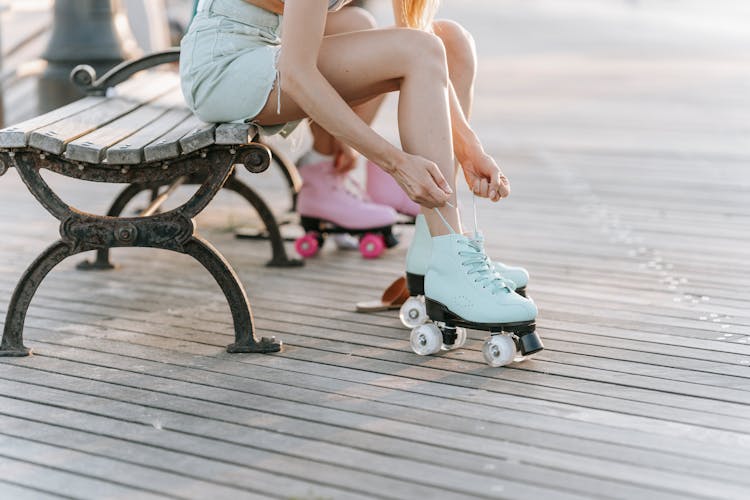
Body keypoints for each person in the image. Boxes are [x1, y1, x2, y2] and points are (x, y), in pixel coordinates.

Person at [180, 0, 541, 363]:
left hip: (268, 45)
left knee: (448, 41)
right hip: (225, 66)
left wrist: (470, 149)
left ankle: (435, 244)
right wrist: (396, 163)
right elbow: (296, 74)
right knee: (420, 49)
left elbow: (423, 46)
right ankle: (452, 260)